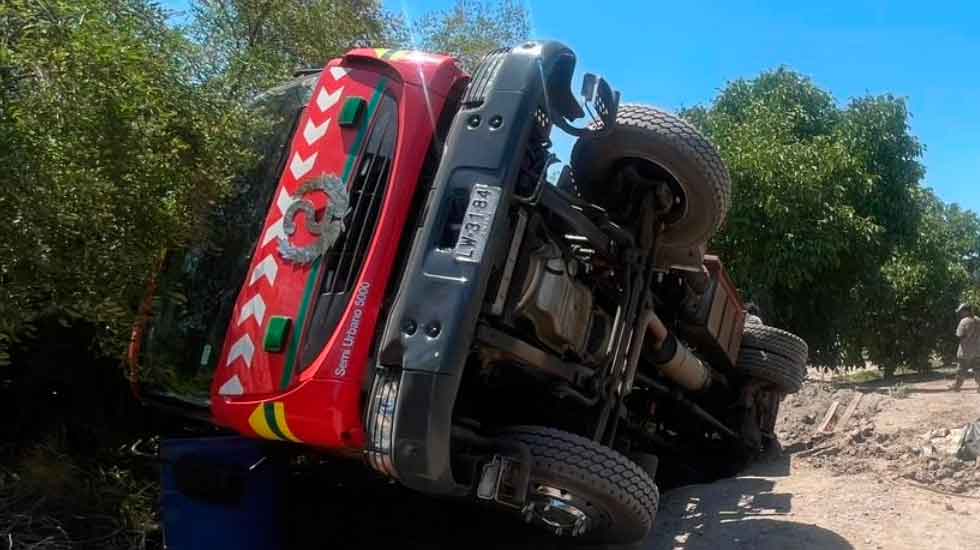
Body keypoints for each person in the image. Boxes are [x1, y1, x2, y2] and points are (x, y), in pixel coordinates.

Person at [951, 303, 980, 392]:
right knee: (978, 369)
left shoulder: (964, 321)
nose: (960, 313)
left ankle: (956, 386)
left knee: (961, 369)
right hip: (978, 350)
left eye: (961, 311)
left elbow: (959, 335)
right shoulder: (978, 319)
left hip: (965, 350)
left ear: (966, 311)